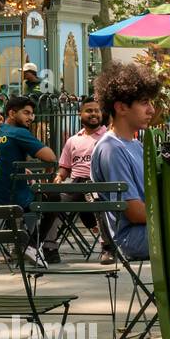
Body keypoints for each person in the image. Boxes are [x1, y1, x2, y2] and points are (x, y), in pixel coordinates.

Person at [90, 61, 161, 266]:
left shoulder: (135, 145)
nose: (151, 109)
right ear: (121, 107)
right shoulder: (111, 149)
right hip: (133, 238)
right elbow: (135, 212)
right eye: (144, 102)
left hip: (148, 231)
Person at [0, 95, 57, 269]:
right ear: (12, 113)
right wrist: (46, 175)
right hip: (14, 201)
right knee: (55, 198)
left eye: (32, 114)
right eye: (26, 113)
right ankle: (33, 246)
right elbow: (51, 157)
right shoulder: (19, 133)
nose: (30, 117)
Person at [37, 97, 108, 263]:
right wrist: (59, 177)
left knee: (100, 200)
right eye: (89, 111)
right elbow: (65, 167)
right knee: (51, 202)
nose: (94, 114)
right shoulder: (72, 140)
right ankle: (49, 248)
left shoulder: (108, 137)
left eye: (96, 111)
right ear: (80, 114)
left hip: (98, 184)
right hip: (75, 185)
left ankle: (107, 247)